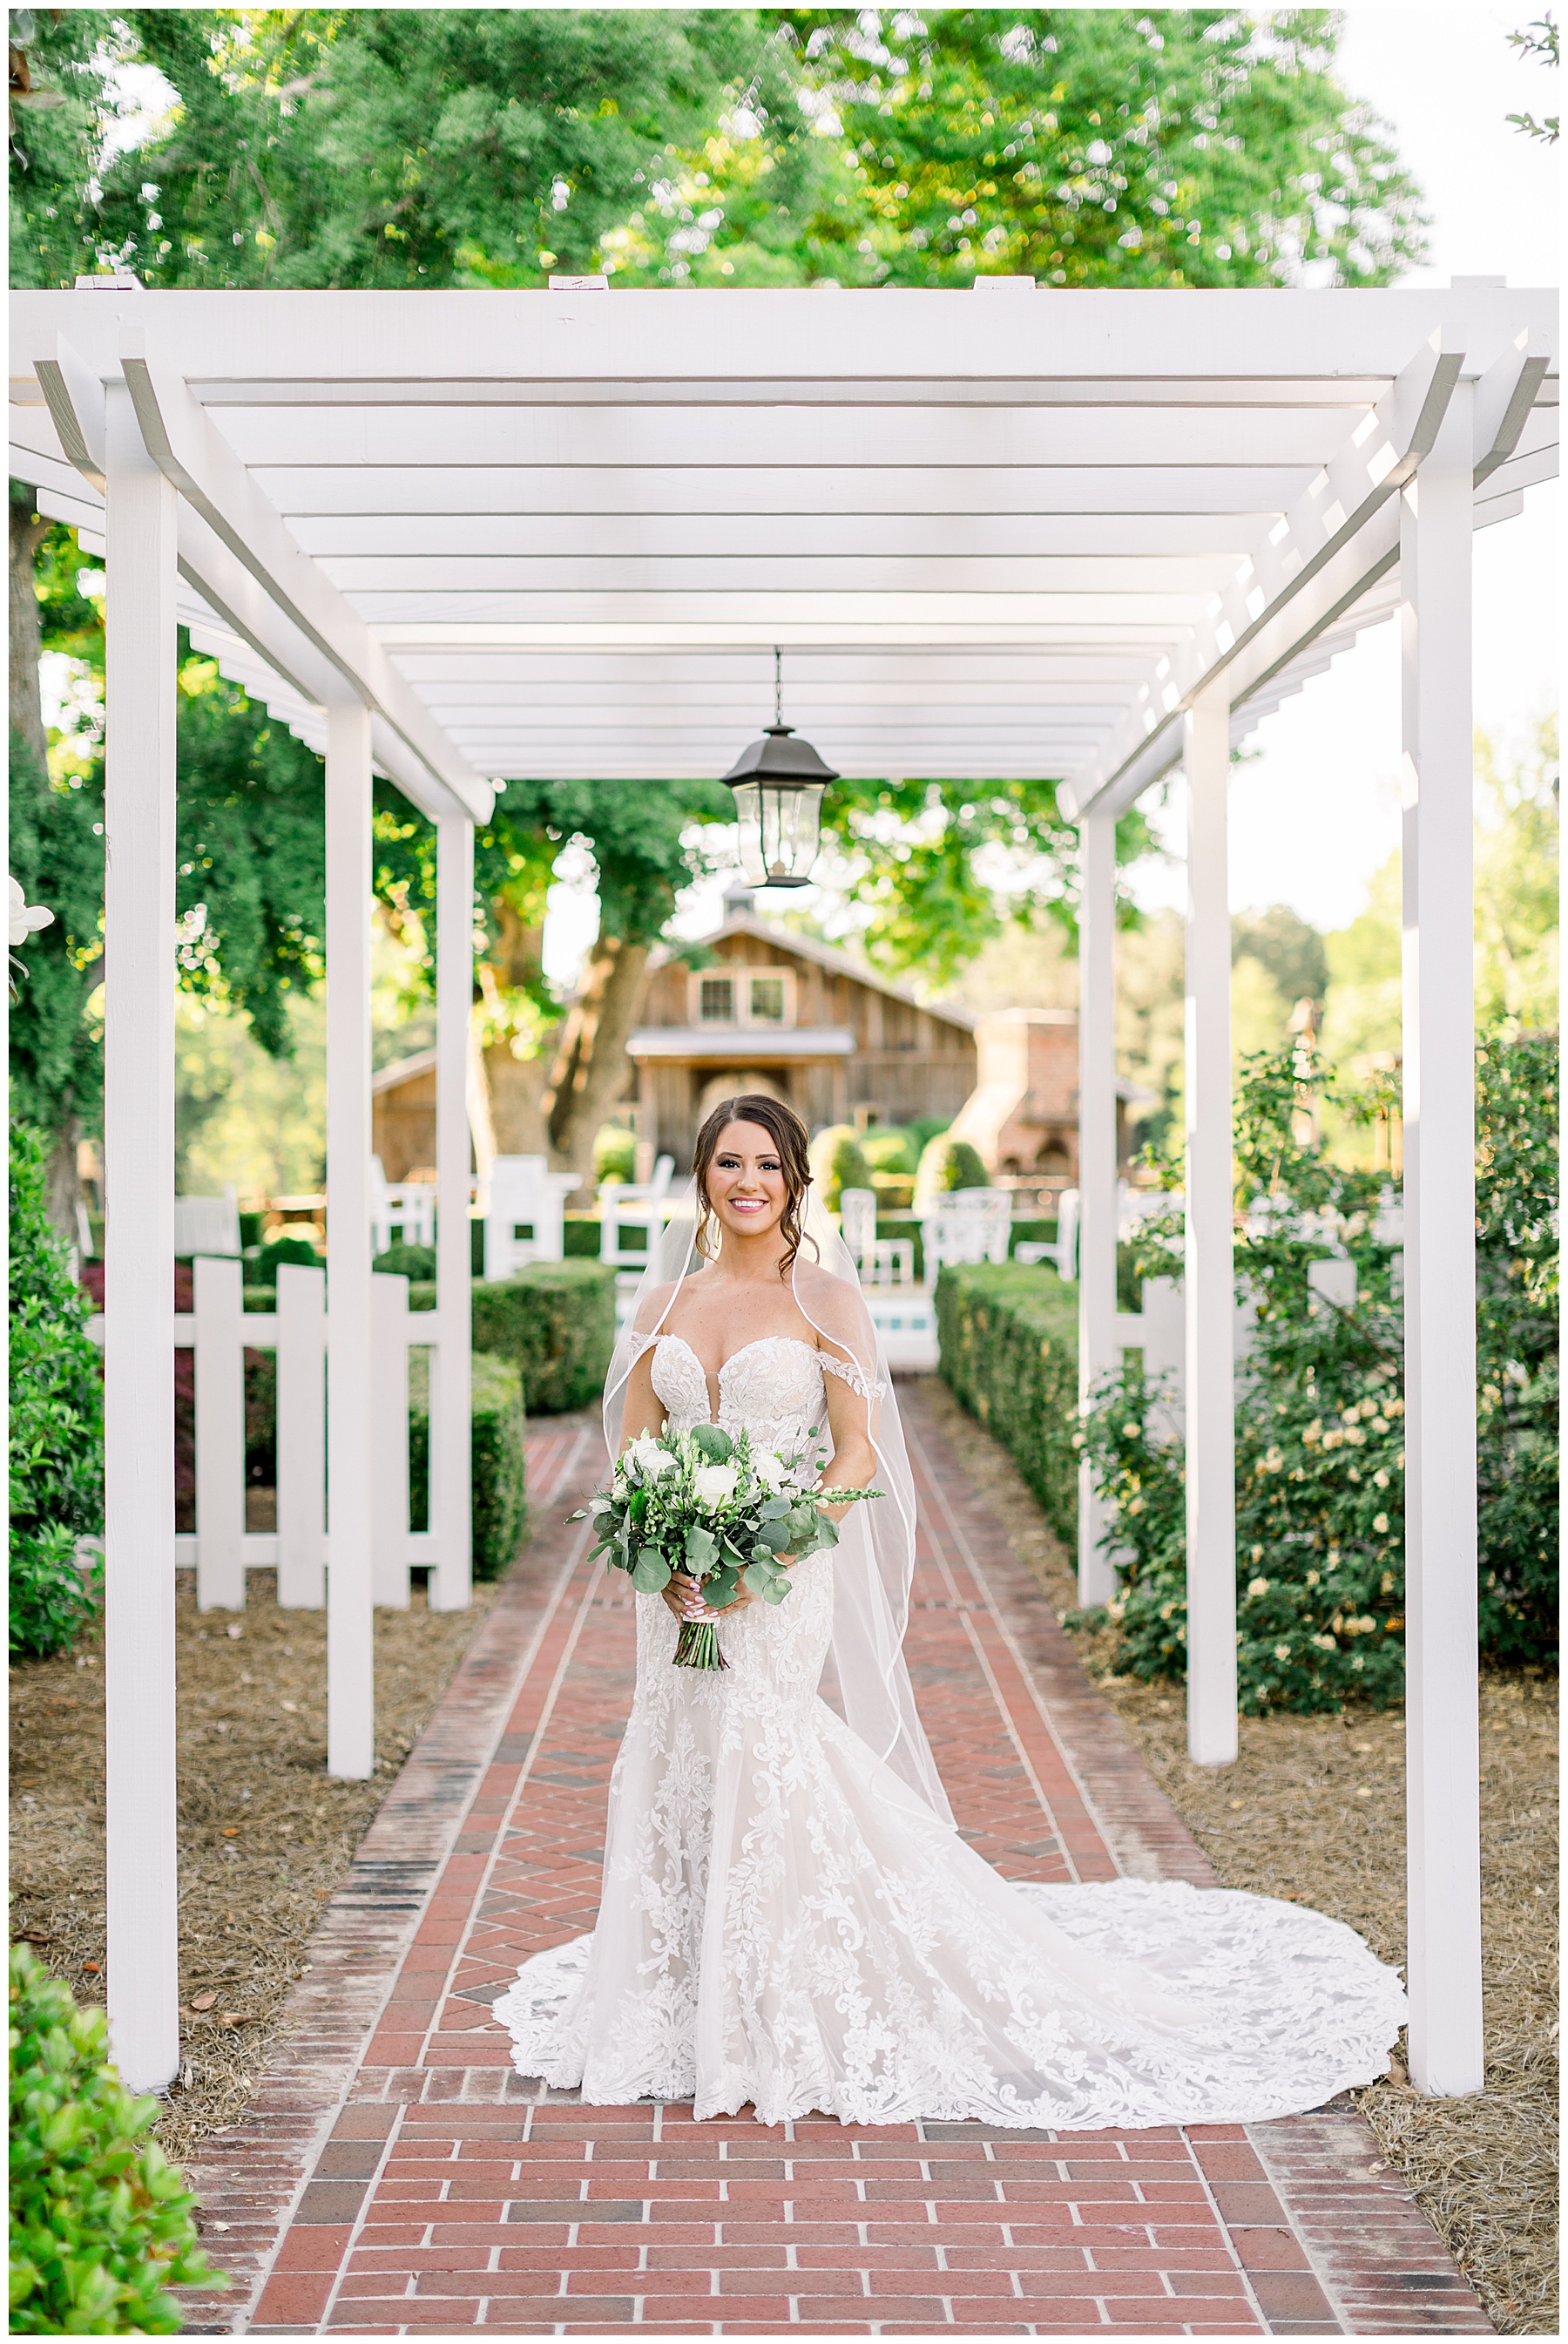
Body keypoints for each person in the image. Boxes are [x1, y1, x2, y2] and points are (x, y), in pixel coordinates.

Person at [494, 1094, 1406, 2129]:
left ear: (795, 1178)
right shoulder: (662, 1298)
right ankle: (682, 1997)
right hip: (682, 1584)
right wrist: (661, 1553)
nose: (747, 1182)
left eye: (767, 1164)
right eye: (727, 1163)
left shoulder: (826, 1296)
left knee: (764, 1749)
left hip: (780, 1573)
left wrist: (772, 1548)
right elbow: (636, 1443)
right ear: (700, 1177)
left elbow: (856, 1453)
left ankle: (778, 2008)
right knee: (679, 1751)